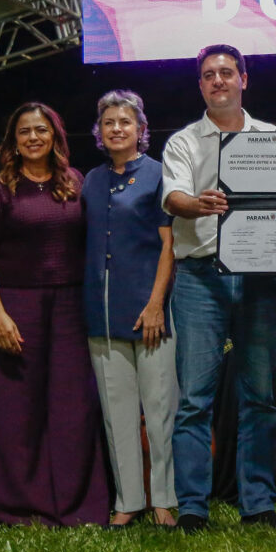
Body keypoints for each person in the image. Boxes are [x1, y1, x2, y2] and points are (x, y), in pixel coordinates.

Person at [161, 44, 276, 533]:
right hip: (199, 278)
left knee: (260, 395)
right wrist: (197, 203)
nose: (218, 81)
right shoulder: (184, 142)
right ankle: (193, 507)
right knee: (194, 398)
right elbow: (172, 198)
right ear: (200, 86)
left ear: (244, 79)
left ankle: (258, 503)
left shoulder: (273, 137)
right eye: (209, 75)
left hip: (257, 276)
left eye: (226, 73)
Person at [0, 102, 109, 527]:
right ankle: (20, 509)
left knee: (73, 408)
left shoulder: (75, 182)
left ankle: (77, 507)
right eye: (24, 132)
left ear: (55, 136)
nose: (33, 138)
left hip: (70, 307)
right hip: (17, 306)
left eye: (41, 130)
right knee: (17, 410)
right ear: (14, 141)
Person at [83, 90, 178, 528]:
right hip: (101, 315)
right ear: (99, 132)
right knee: (116, 411)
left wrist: (157, 303)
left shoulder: (161, 174)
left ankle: (165, 499)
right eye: (108, 123)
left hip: (150, 311)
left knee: (160, 408)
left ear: (142, 130)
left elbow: (169, 245)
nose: (116, 129)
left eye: (125, 122)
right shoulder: (90, 181)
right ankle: (128, 501)